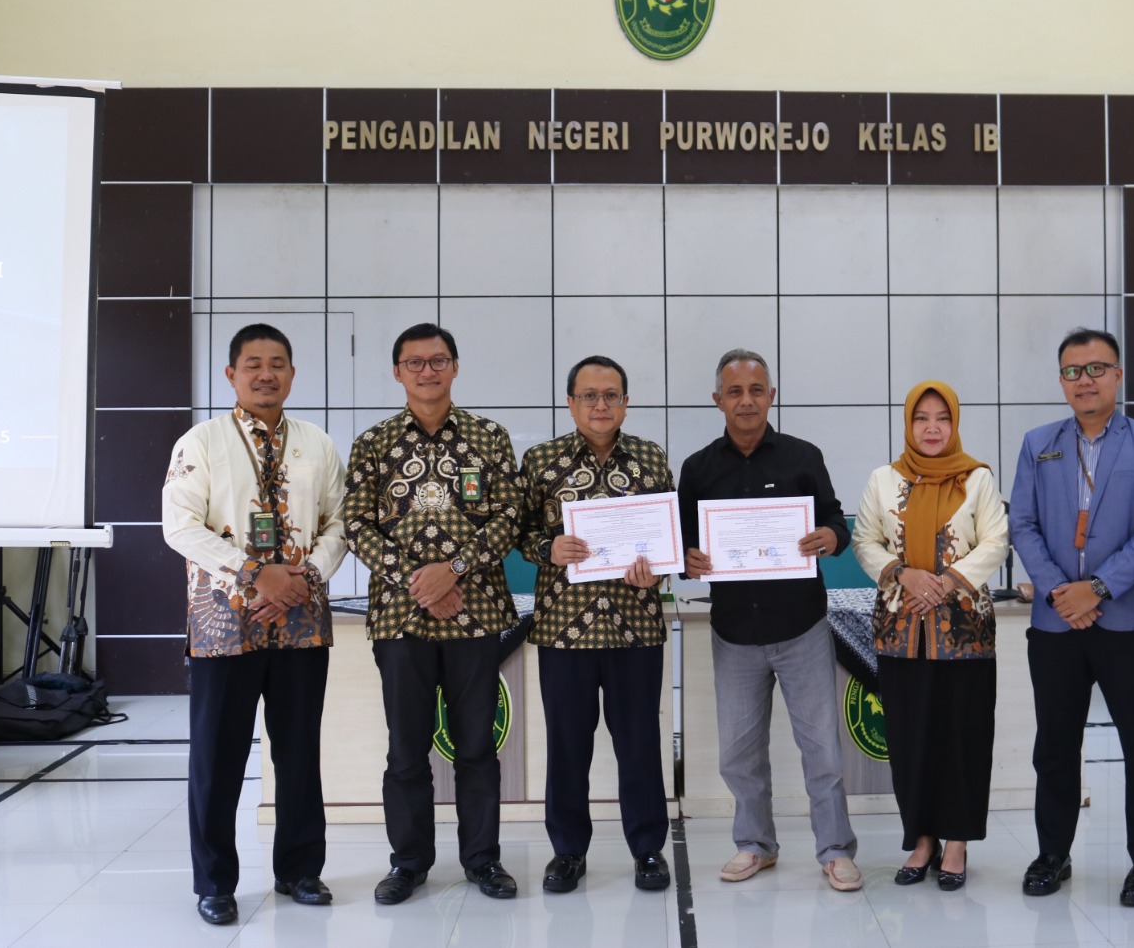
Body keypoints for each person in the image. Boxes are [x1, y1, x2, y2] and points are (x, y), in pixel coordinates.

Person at [162, 323, 348, 926]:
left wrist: (304, 578)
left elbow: (340, 523)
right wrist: (253, 574)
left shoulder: (317, 443)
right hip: (224, 622)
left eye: (277, 364)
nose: (266, 374)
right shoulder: (201, 442)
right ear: (231, 374)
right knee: (217, 757)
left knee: (298, 753)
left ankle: (300, 870)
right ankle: (214, 883)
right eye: (253, 364)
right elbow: (179, 527)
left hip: (302, 621)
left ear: (292, 373)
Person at [343, 323, 523, 905]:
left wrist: (455, 570)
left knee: (476, 747)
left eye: (438, 360)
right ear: (397, 372)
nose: (427, 371)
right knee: (406, 750)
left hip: (476, 614)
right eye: (415, 362)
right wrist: (419, 582)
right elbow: (356, 524)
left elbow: (509, 516)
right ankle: (409, 863)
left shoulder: (489, 437)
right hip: (401, 618)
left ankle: (483, 860)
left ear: (455, 367)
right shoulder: (373, 443)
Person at [677, 348, 862, 892]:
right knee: (738, 753)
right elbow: (682, 544)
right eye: (734, 391)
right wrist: (687, 559)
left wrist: (831, 536)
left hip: (802, 626)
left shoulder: (803, 456)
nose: (746, 401)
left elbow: (835, 520)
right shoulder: (698, 469)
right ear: (718, 400)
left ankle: (835, 850)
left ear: (771, 396)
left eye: (756, 390)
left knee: (822, 750)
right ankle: (755, 844)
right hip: (734, 632)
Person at [1008, 328, 1134, 906]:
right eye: (1073, 371)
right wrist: (1063, 592)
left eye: (1097, 368)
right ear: (1061, 381)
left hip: (1127, 620)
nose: (1085, 380)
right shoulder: (1038, 444)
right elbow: (1023, 524)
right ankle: (1052, 853)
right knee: (1055, 744)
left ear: (1118, 375)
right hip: (1056, 623)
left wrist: (1098, 589)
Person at [518, 355, 674, 894]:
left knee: (639, 744)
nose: (600, 404)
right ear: (571, 403)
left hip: (636, 628)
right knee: (567, 747)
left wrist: (656, 571)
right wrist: (548, 547)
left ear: (626, 403)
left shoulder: (652, 459)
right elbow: (518, 533)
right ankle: (567, 852)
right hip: (565, 630)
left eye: (611, 395)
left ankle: (648, 849)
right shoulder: (541, 461)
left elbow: (666, 539)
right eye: (589, 395)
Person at [852, 380, 1009, 891]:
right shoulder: (883, 479)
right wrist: (904, 575)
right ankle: (921, 840)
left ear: (955, 423)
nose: (933, 428)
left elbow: (995, 541)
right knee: (910, 737)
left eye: (943, 418)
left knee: (963, 737)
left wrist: (944, 583)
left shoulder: (977, 478)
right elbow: (864, 540)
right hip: (901, 629)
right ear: (908, 424)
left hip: (964, 631)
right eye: (922, 418)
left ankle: (957, 841)